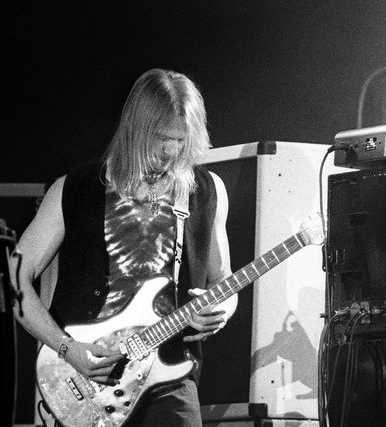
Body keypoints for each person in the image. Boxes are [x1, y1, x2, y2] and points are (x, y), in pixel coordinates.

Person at [11, 68, 236, 426]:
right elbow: (15, 280)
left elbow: (222, 279)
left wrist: (219, 310)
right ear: (135, 128)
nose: (171, 151)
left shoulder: (206, 191)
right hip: (90, 374)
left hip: (170, 373)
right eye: (162, 138)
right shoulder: (76, 188)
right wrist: (67, 348)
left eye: (181, 140)